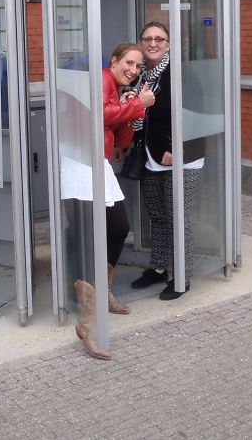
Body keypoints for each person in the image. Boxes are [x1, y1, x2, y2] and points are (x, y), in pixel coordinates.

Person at [75, 42, 155, 360]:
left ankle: (100, 296)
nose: (133, 71)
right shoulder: (101, 79)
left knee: (118, 228)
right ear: (114, 61)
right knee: (110, 229)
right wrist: (137, 106)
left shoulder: (117, 89)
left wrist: (131, 108)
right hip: (85, 163)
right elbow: (99, 114)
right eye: (129, 63)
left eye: (138, 67)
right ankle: (89, 319)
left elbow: (121, 140)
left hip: (100, 163)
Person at [129, 21, 203, 300]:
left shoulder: (181, 73)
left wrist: (178, 148)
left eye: (159, 39)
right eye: (147, 38)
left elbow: (195, 112)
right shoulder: (141, 75)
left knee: (177, 217)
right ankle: (159, 268)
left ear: (168, 44)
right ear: (141, 43)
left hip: (181, 157)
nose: (153, 43)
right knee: (158, 215)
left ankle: (182, 276)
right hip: (151, 155)